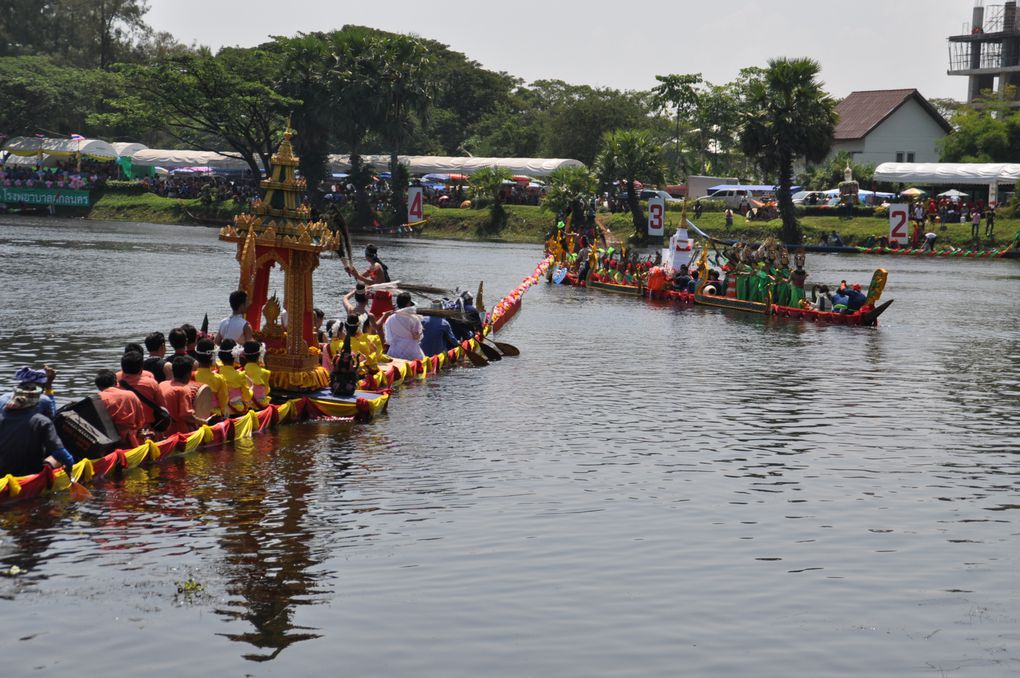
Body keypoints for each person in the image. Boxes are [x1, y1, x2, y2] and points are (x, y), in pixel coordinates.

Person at [0, 382, 74, 479]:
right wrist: (70, 463)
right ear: (37, 401)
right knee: (57, 457)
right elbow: (59, 452)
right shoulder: (42, 422)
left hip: (2, 472)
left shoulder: (1, 417)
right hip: (27, 474)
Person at [95, 369, 146, 448]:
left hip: (107, 445)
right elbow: (140, 421)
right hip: (130, 443)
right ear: (116, 383)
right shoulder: (131, 395)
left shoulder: (96, 399)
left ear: (98, 387)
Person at [116, 350, 165, 430]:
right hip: (147, 430)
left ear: (122, 368)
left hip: (122, 431)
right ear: (141, 369)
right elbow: (163, 408)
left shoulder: (115, 383)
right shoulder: (151, 384)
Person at [157, 357, 205, 436]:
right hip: (176, 431)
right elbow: (186, 417)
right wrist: (203, 421)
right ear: (188, 374)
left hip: (161, 429)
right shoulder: (183, 390)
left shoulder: (162, 384)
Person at [346, 244, 394, 320]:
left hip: (382, 296)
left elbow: (375, 283)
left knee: (374, 319)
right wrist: (351, 270)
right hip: (380, 295)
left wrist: (358, 276)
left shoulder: (376, 266)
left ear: (366, 255)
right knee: (379, 320)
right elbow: (359, 278)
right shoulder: (373, 266)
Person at [380, 292, 425, 361]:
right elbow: (416, 337)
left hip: (395, 351)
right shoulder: (413, 318)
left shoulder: (390, 318)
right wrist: (421, 332)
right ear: (408, 303)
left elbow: (389, 339)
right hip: (411, 352)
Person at [193, 338, 228, 418]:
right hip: (214, 417)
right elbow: (223, 402)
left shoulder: (191, 376)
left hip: (196, 418)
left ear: (197, 357)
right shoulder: (219, 379)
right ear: (213, 357)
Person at [217, 339, 253, 415]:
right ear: (235, 356)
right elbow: (248, 397)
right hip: (236, 412)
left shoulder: (216, 374)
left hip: (220, 412)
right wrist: (252, 389)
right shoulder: (240, 376)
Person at [241, 341, 272, 408]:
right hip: (260, 405)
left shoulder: (240, 372)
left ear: (245, 356)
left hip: (244, 405)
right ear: (259, 356)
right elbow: (266, 391)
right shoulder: (265, 373)